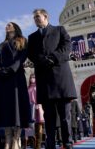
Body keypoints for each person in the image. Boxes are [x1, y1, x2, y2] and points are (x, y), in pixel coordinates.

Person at [27, 9, 77, 149]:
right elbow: (31, 54)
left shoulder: (60, 30)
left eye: (38, 16)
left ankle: (67, 143)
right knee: (48, 117)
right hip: (44, 80)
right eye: (34, 17)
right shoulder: (32, 37)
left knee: (64, 116)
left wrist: (53, 58)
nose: (36, 19)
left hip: (61, 79)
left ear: (46, 16)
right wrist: (41, 60)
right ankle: (50, 144)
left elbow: (67, 47)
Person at [0, 22, 31, 149]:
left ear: (15, 27)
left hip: (16, 77)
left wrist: (12, 69)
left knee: (17, 109)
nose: (7, 26)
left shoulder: (23, 40)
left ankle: (16, 139)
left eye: (9, 25)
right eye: (6, 25)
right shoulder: (2, 44)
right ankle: (8, 139)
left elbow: (22, 57)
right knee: (5, 109)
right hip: (3, 79)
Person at [28, 74, 45, 149]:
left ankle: (38, 145)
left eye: (34, 77)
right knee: (30, 128)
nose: (32, 79)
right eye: (31, 77)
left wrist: (39, 103)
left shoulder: (37, 87)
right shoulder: (28, 88)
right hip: (30, 108)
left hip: (38, 107)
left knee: (39, 127)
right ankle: (32, 144)